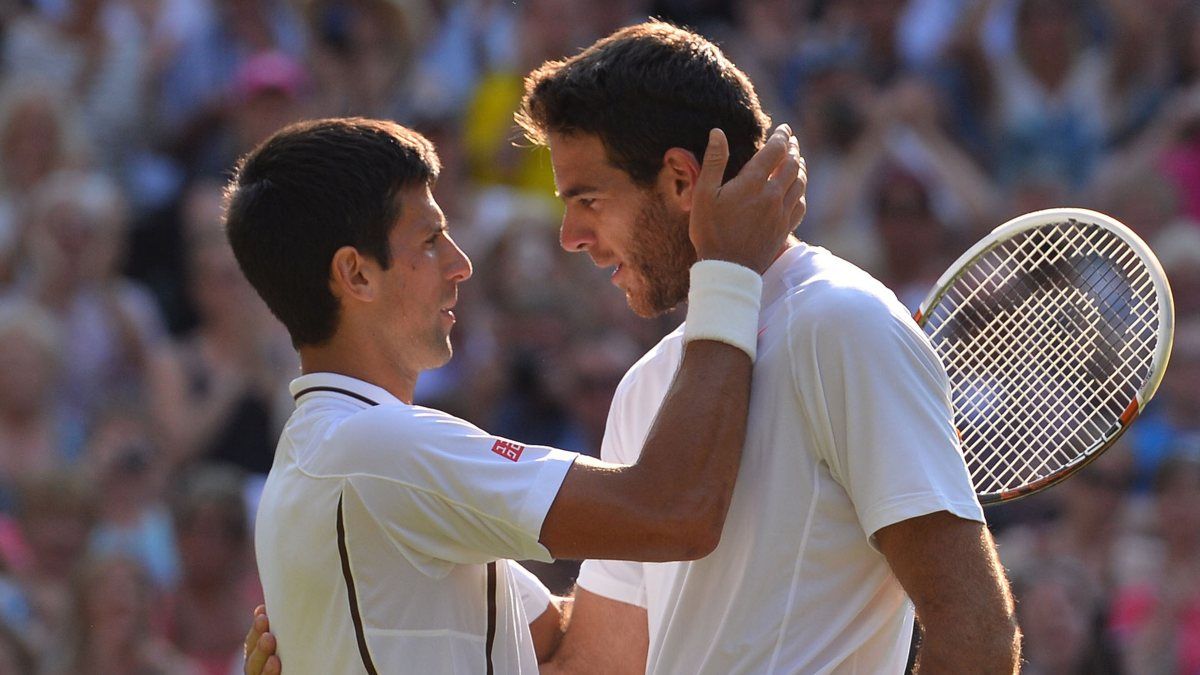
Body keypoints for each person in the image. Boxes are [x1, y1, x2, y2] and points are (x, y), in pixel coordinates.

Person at [246, 21, 1019, 675]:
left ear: (683, 181)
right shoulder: (655, 385)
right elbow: (592, 658)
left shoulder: (843, 323)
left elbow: (974, 634)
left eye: (588, 197)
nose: (570, 236)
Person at [227, 115, 803, 674]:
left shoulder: (328, 456)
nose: (461, 264)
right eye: (431, 241)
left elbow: (571, 651)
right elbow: (676, 511)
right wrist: (728, 273)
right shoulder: (378, 448)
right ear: (356, 275)